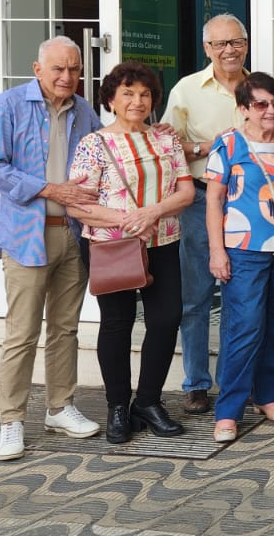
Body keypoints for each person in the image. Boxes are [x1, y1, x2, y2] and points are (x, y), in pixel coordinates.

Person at [0, 37, 103, 461]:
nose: (67, 77)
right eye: (58, 69)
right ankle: (10, 420)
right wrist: (51, 189)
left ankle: (60, 407)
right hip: (25, 233)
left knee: (65, 327)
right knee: (22, 331)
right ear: (37, 68)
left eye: (74, 69)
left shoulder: (85, 112)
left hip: (71, 232)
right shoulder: (6, 106)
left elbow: (107, 156)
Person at [69, 61, 194, 444]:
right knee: (117, 324)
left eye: (144, 93)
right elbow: (76, 205)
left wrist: (152, 212)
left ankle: (149, 401)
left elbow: (186, 192)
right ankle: (118, 407)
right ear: (110, 99)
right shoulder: (94, 143)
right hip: (112, 246)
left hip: (164, 240)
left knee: (166, 318)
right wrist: (127, 219)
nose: (137, 101)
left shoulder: (167, 139)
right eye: (127, 93)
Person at [162, 14, 250, 414]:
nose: (229, 49)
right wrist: (206, 148)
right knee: (196, 296)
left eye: (236, 41)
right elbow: (166, 148)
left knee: (241, 297)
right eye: (220, 44)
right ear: (207, 49)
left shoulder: (257, 87)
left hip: (249, 204)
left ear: (246, 44)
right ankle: (196, 382)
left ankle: (235, 380)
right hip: (199, 201)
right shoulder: (187, 91)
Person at [206, 73, 274, 443]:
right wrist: (216, 250)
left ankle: (268, 395)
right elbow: (213, 200)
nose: (270, 110)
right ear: (243, 109)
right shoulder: (229, 144)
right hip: (241, 249)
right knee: (244, 328)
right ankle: (228, 410)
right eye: (260, 104)